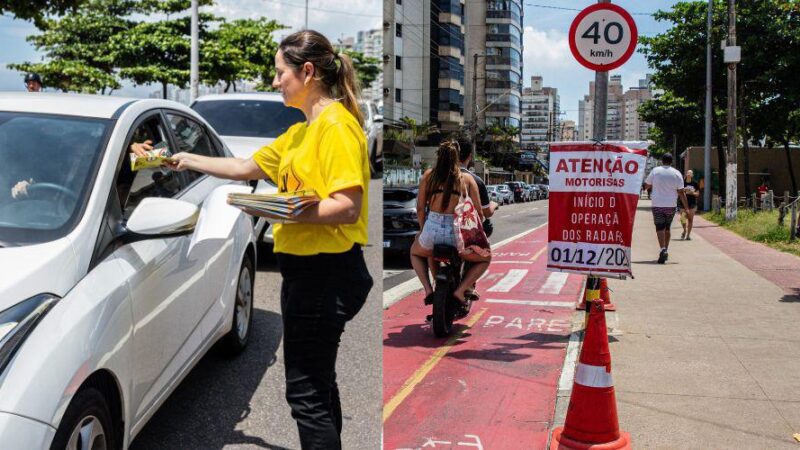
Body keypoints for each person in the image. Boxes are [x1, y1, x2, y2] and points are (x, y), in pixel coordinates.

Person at [164, 30, 373, 450]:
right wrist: (184, 158)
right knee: (318, 384)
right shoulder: (300, 133)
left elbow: (347, 207)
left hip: (325, 272)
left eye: (280, 73)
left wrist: (282, 210)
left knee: (306, 395)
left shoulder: (336, 127)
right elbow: (244, 167)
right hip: (304, 272)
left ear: (307, 72)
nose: (275, 82)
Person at [410, 139, 490, 306]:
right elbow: (479, 213)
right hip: (457, 235)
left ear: (438, 156)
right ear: (457, 158)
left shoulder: (428, 176)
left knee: (415, 253)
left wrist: (423, 230)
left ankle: (428, 289)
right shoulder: (467, 179)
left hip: (432, 230)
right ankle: (462, 290)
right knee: (485, 258)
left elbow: (420, 208)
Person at [644, 153, 688, 264]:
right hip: (671, 205)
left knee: (660, 227)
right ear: (671, 161)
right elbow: (681, 192)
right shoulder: (677, 173)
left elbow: (647, 185)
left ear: (662, 161)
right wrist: (686, 207)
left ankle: (663, 249)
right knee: (667, 227)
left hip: (657, 204)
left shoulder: (655, 171)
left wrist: (647, 186)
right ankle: (666, 250)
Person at [679, 169, 700, 240]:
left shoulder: (695, 183)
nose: (689, 175)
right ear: (686, 174)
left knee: (690, 219)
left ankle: (688, 235)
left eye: (690, 174)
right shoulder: (682, 183)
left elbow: (697, 194)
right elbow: (678, 192)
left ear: (692, 175)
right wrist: (683, 190)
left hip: (692, 203)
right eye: (688, 173)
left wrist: (692, 193)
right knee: (683, 219)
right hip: (683, 203)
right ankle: (684, 230)